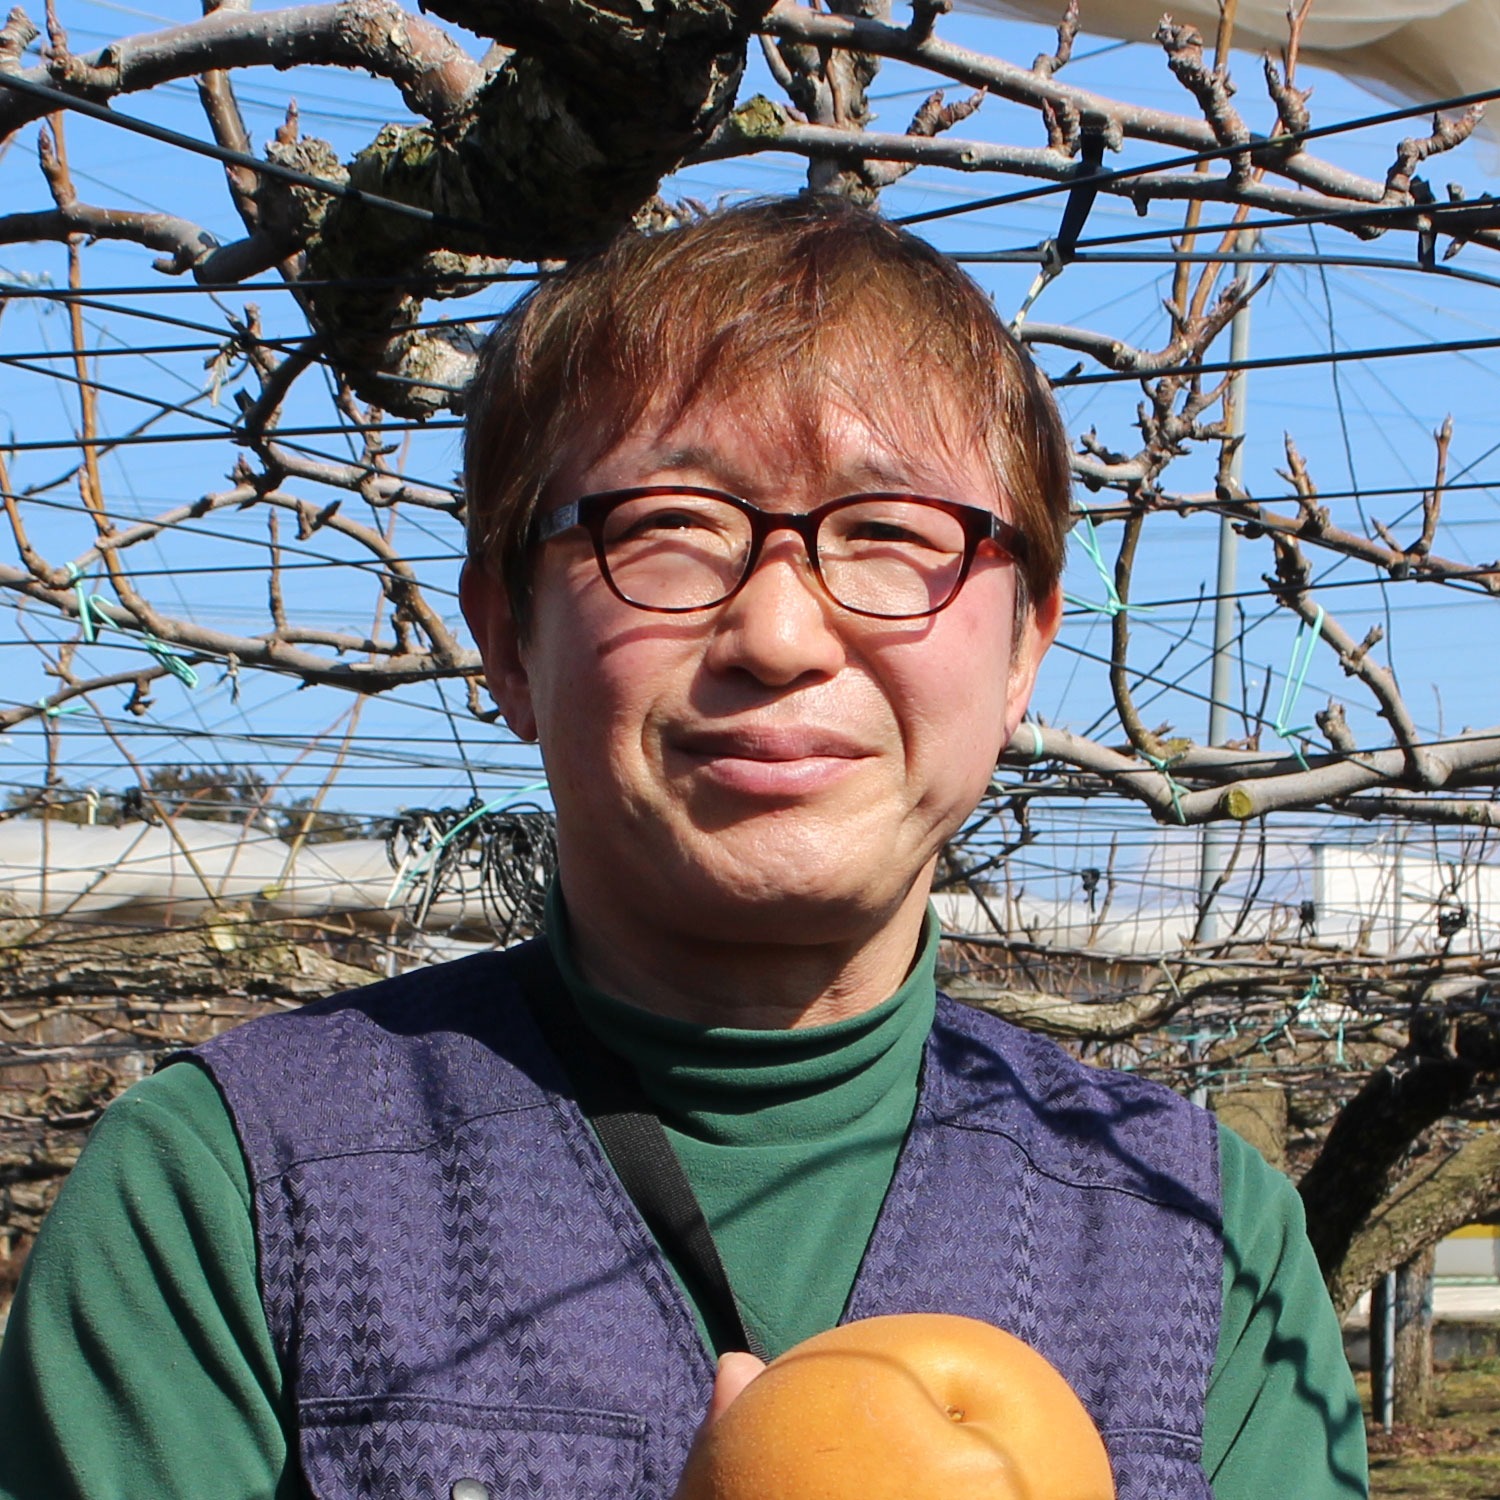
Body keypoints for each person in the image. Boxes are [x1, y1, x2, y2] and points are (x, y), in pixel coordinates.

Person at [0, 195, 1367, 1500]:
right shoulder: (228, 1191)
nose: (778, 635)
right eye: (665, 532)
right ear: (507, 637)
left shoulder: (1197, 1235)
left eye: (890, 535)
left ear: (1025, 650)